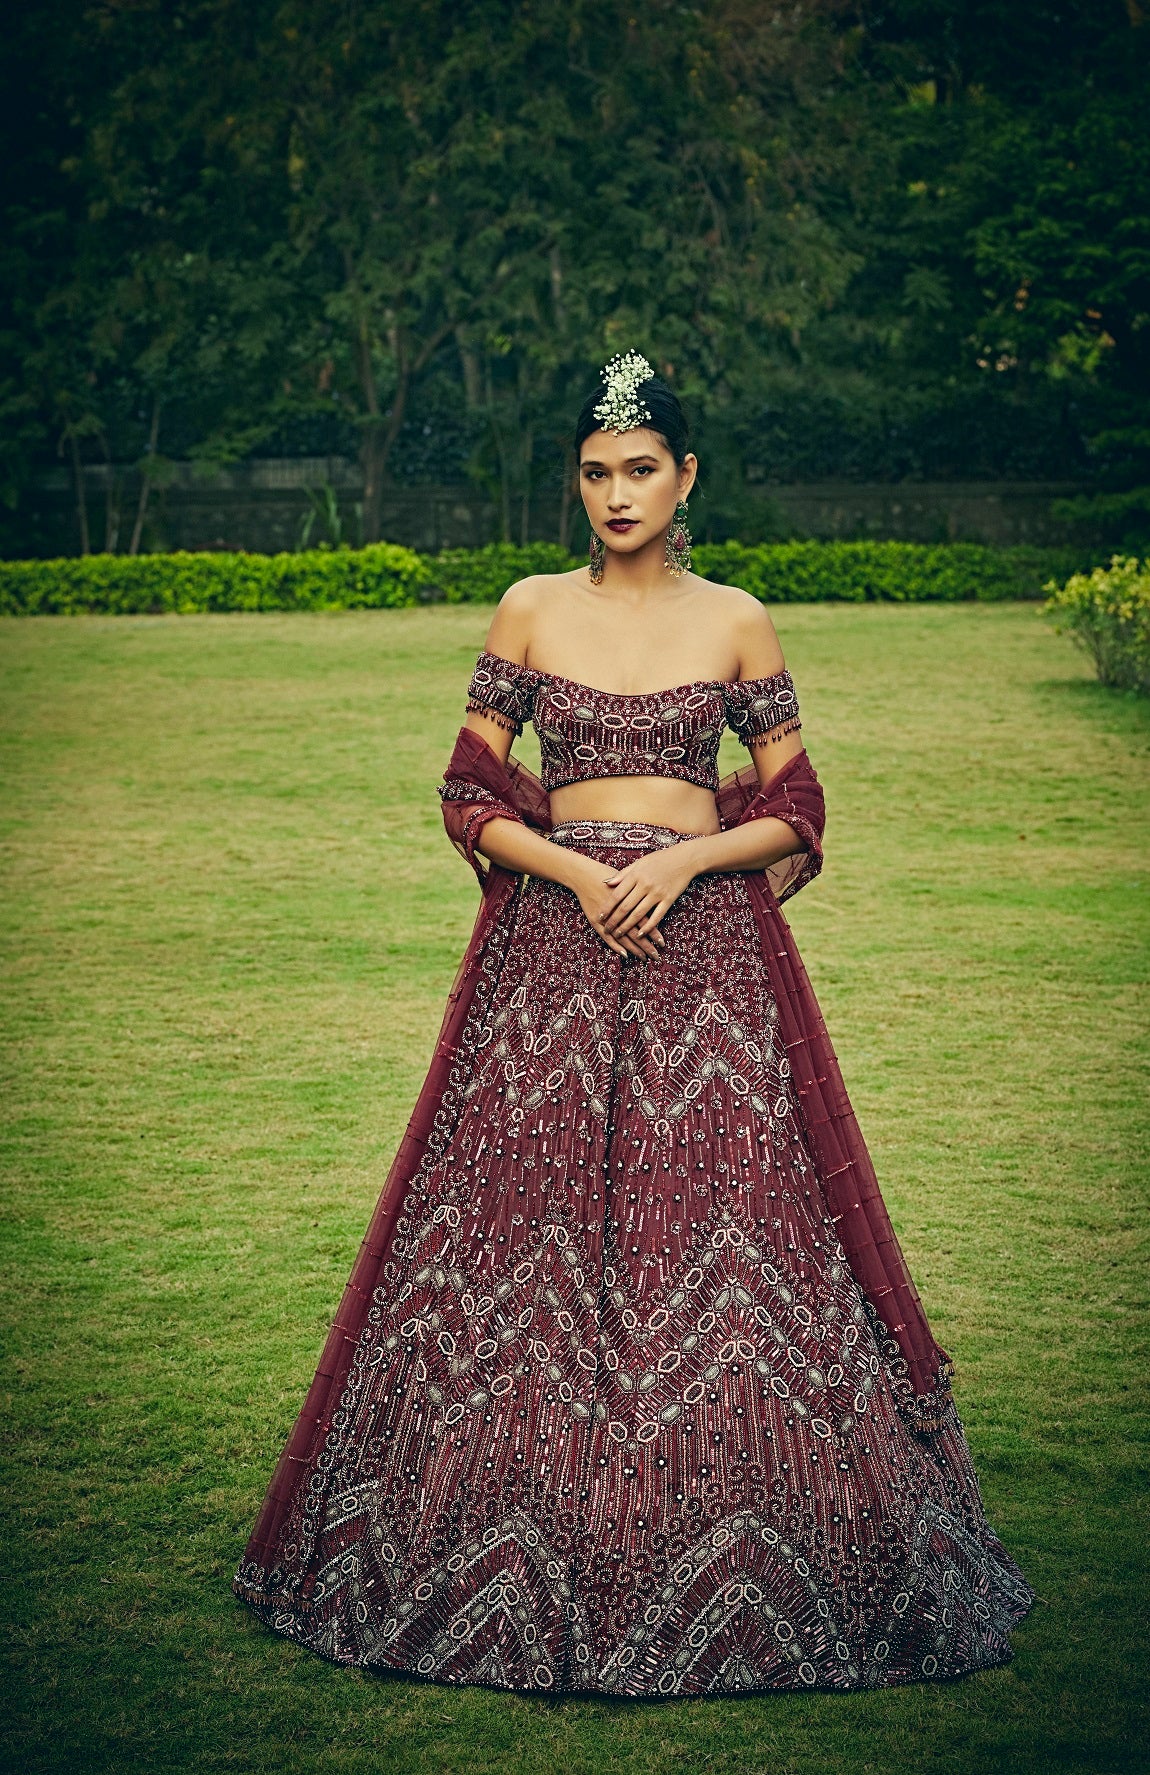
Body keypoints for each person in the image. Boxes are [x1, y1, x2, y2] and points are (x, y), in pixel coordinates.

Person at [233, 350, 1034, 1696]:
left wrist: (682, 862)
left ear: (685, 477)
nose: (616, 495)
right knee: (517, 1232)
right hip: (548, 948)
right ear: (578, 482)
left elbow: (795, 807)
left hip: (707, 951)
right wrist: (579, 871)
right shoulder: (531, 609)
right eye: (596, 473)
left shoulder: (735, 620)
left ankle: (748, 1518)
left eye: (640, 471)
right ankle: (488, 1515)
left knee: (723, 1223)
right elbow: (468, 792)